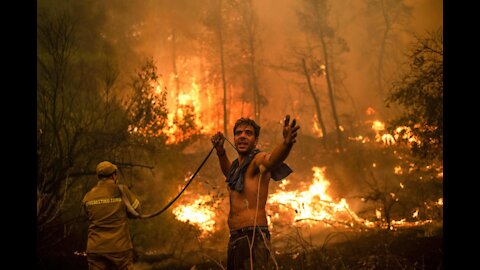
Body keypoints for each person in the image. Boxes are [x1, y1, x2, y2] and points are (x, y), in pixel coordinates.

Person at [211, 115, 300, 270]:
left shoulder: (257, 161)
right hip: (235, 237)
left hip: (253, 236)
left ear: (256, 140)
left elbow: (272, 160)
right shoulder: (236, 168)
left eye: (248, 133)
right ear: (234, 138)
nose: (242, 136)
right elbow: (228, 173)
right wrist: (220, 152)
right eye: (238, 133)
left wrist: (286, 144)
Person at [82, 161, 141, 270]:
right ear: (114, 175)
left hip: (95, 248)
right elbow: (137, 211)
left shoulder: (88, 196)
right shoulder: (122, 191)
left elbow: (88, 215)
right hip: (119, 249)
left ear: (98, 177)